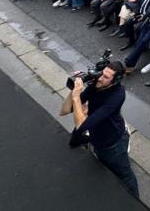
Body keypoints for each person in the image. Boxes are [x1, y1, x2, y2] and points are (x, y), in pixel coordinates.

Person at [60, 61, 139, 199]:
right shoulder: (96, 85)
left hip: (112, 143)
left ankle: (135, 203)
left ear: (115, 81)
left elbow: (81, 126)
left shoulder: (117, 96)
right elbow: (64, 111)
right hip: (96, 135)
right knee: (100, 162)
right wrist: (73, 91)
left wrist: (76, 97)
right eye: (102, 73)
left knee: (125, 175)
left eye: (106, 77)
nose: (101, 78)